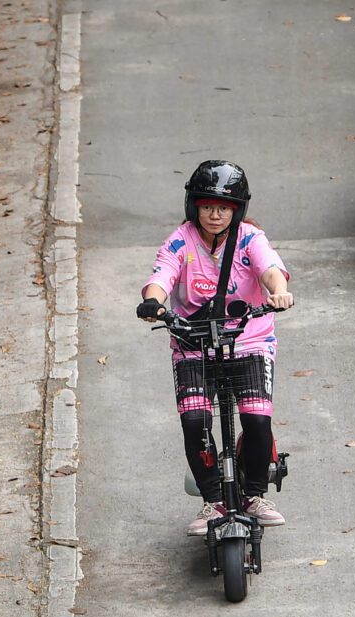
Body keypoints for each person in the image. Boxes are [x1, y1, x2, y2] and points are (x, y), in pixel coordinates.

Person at [136, 160, 294, 535]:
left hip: (248, 339)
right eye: (208, 206)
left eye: (224, 207)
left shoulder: (250, 239)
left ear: (237, 209)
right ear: (195, 205)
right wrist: (153, 302)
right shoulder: (181, 239)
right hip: (193, 343)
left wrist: (279, 292)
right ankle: (212, 502)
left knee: (257, 420)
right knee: (195, 422)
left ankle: (254, 494)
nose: (215, 214)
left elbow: (270, 268)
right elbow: (160, 275)